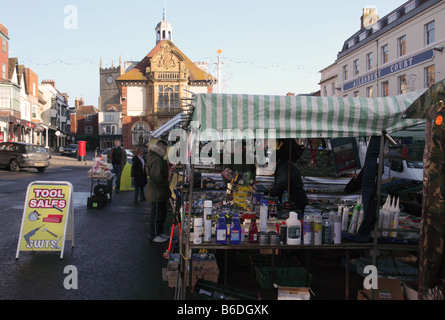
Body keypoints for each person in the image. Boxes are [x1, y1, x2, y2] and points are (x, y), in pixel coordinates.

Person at [268, 139, 308, 213]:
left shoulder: (284, 167)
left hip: (295, 201)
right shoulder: (285, 165)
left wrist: (272, 193)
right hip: (297, 200)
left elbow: (282, 183)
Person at [146, 139, 171, 243]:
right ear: (160, 147)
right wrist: (166, 187)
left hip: (158, 191)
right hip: (157, 192)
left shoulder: (156, 157)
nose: (166, 151)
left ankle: (159, 232)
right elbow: (157, 177)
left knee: (161, 213)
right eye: (165, 148)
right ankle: (154, 234)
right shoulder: (157, 159)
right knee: (156, 214)